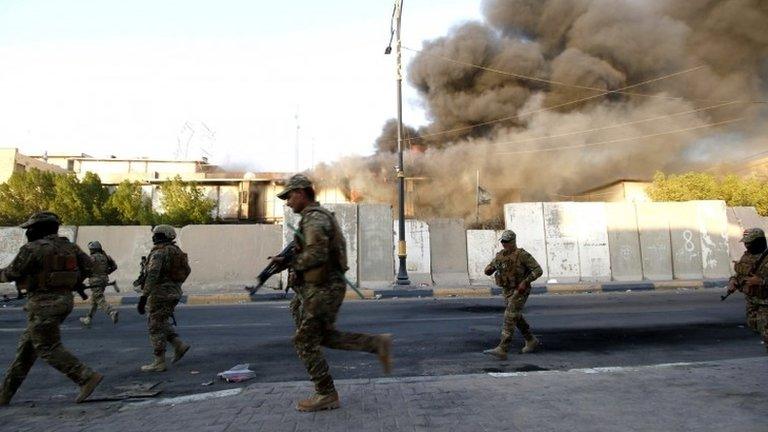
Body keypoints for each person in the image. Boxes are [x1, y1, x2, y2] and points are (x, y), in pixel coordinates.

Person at [277, 174, 392, 412]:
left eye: (289, 196)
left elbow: (316, 255)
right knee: (324, 336)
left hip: (323, 289)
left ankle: (326, 393)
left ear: (300, 192)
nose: (287, 202)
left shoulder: (314, 220)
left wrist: (290, 262)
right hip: (320, 288)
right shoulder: (314, 217)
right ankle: (376, 344)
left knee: (304, 341)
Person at [0, 212, 103, 404]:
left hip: (43, 305)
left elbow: (12, 272)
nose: (28, 232)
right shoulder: (69, 246)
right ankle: (5, 393)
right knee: (27, 349)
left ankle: (86, 377)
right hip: (64, 301)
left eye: (30, 228)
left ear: (38, 229)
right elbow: (93, 268)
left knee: (47, 347)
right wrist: (72, 279)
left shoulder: (32, 249)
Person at [136, 225, 191, 372]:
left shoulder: (159, 253)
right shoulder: (176, 251)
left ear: (165, 235)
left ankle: (159, 361)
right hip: (174, 292)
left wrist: (144, 296)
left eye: (157, 234)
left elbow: (152, 275)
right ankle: (178, 345)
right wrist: (174, 285)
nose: (154, 237)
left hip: (159, 293)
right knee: (161, 321)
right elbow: (187, 271)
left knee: (154, 326)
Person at [482, 230, 543, 360]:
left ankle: (503, 348)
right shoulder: (500, 255)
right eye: (503, 242)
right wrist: (489, 269)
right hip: (507, 290)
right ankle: (531, 340)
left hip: (520, 290)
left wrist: (525, 282)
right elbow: (490, 268)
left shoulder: (522, 255)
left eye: (506, 242)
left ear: (513, 241)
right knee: (516, 316)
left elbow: (538, 270)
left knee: (509, 315)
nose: (504, 244)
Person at [727, 228, 766, 333]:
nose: (747, 245)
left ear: (759, 241)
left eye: (750, 242)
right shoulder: (747, 256)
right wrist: (733, 281)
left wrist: (761, 281)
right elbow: (741, 273)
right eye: (746, 243)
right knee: (757, 328)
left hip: (765, 303)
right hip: (753, 302)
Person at [79, 241, 119, 327]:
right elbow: (114, 267)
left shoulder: (91, 258)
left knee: (99, 298)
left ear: (92, 249)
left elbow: (86, 271)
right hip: (104, 280)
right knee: (95, 299)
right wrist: (106, 272)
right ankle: (88, 318)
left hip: (95, 281)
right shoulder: (106, 257)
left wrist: (79, 281)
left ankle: (111, 311)